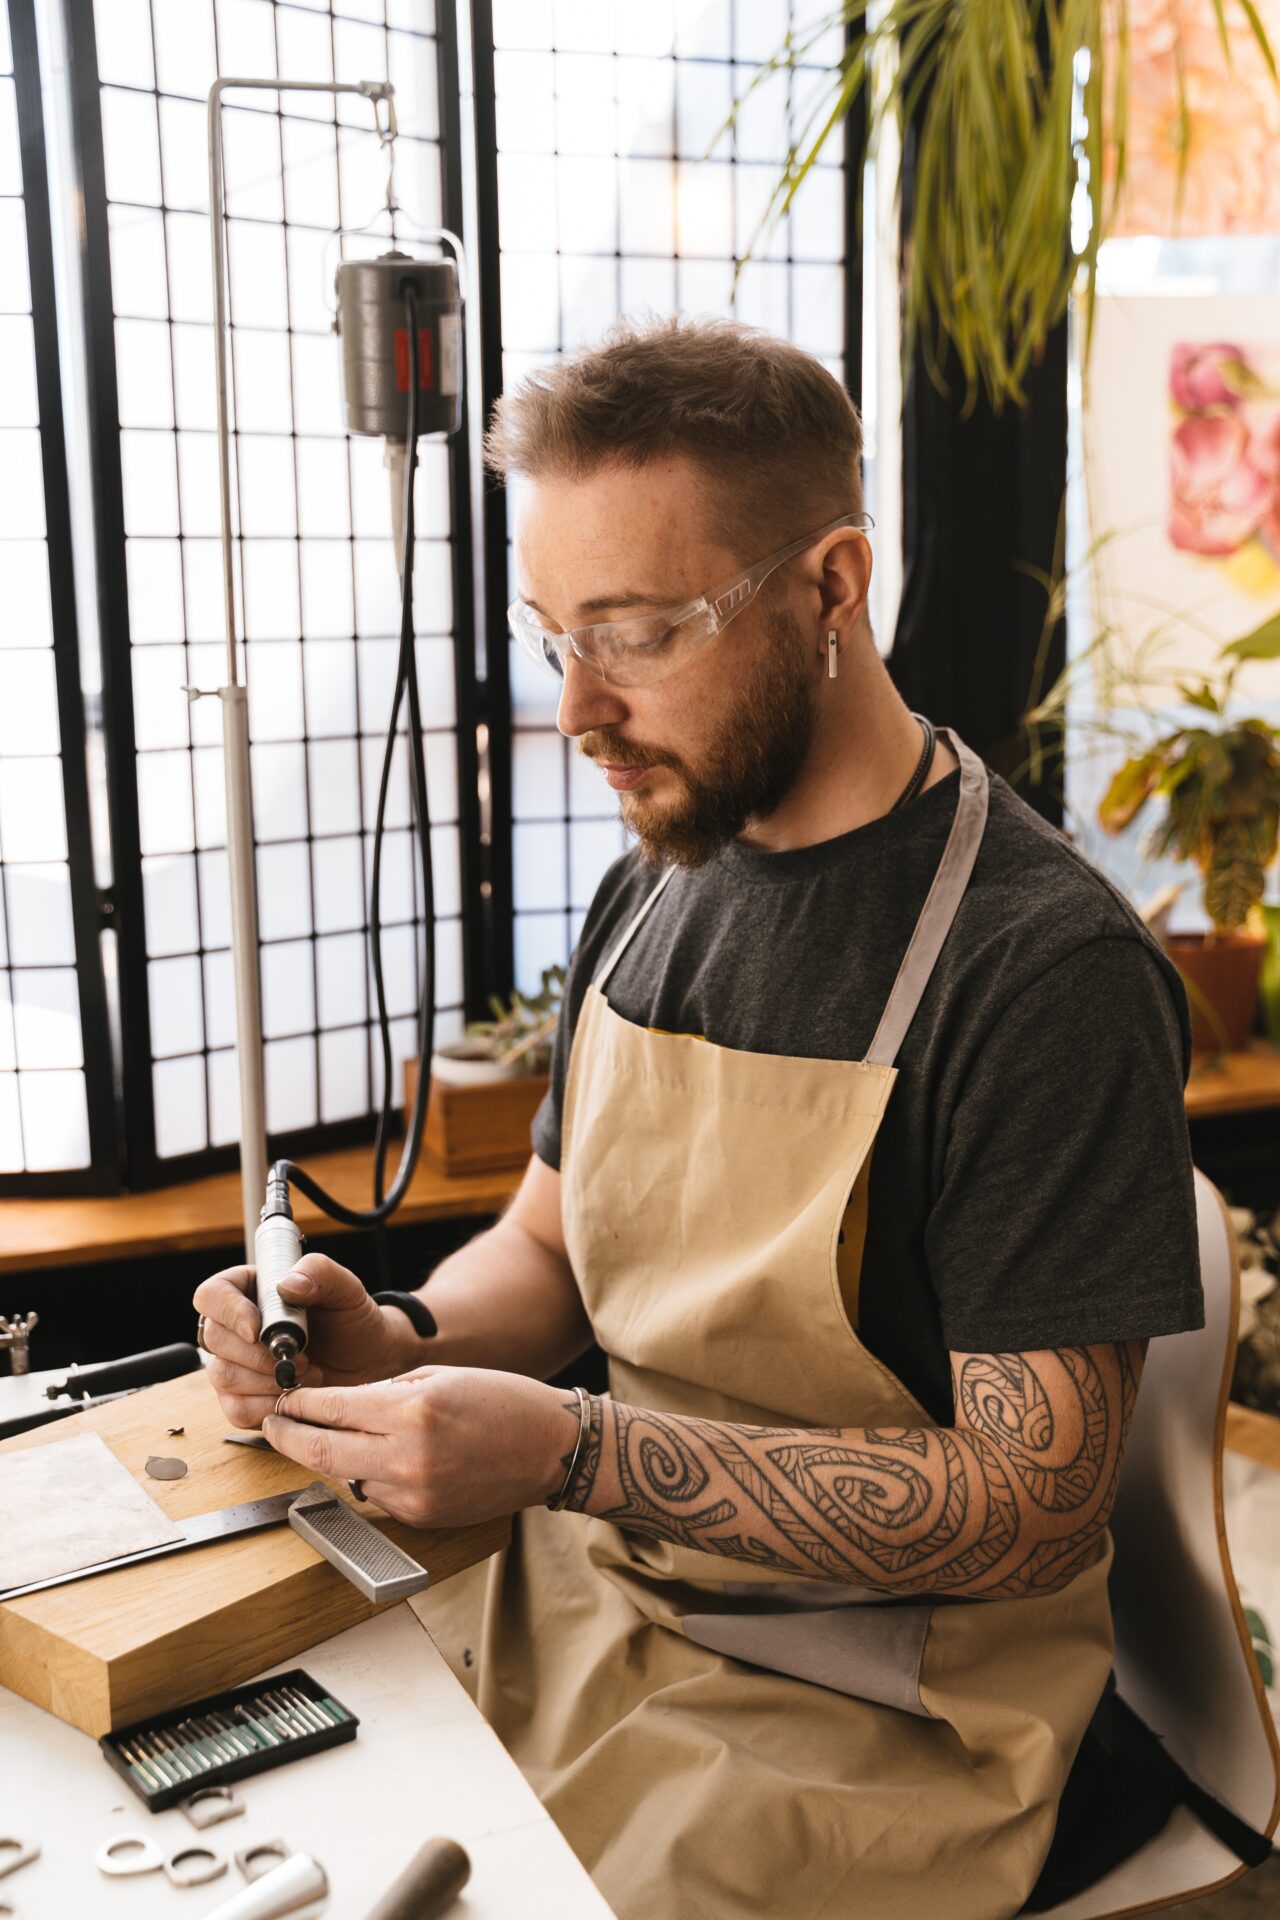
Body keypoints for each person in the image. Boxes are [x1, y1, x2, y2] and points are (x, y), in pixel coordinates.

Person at [195, 318, 1203, 1920]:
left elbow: (1029, 1508)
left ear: (834, 586)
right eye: (554, 639)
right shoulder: (655, 883)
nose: (580, 710)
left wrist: (573, 1448)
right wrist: (396, 1333)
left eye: (639, 633)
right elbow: (555, 1251)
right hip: (601, 1589)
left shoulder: (1041, 972)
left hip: (883, 1713)